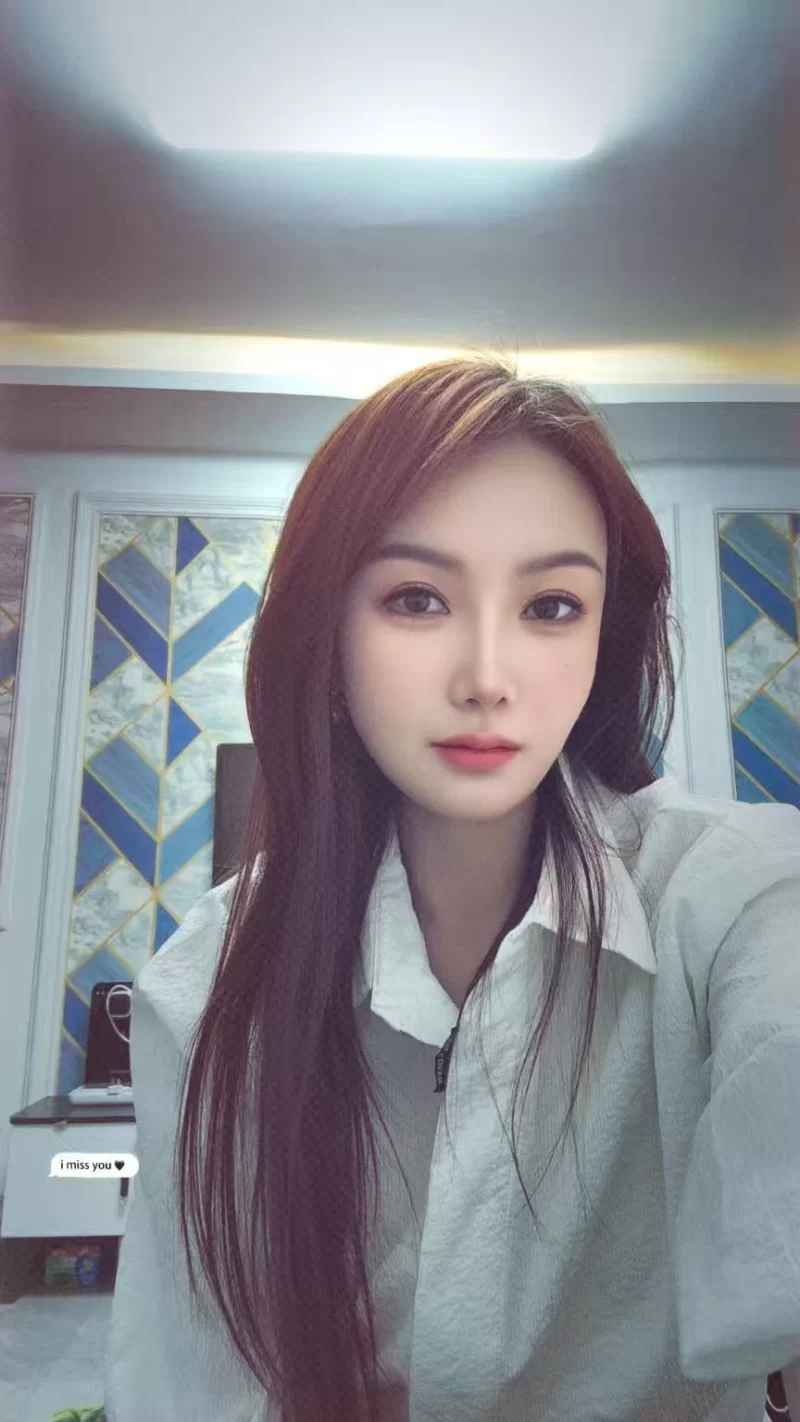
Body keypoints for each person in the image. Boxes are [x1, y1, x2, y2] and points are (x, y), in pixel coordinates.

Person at [104, 356, 800, 1422]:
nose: (486, 677)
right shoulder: (208, 984)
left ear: (603, 641)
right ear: (325, 636)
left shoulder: (732, 896)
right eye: (416, 599)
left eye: (551, 605)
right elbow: (188, 1386)